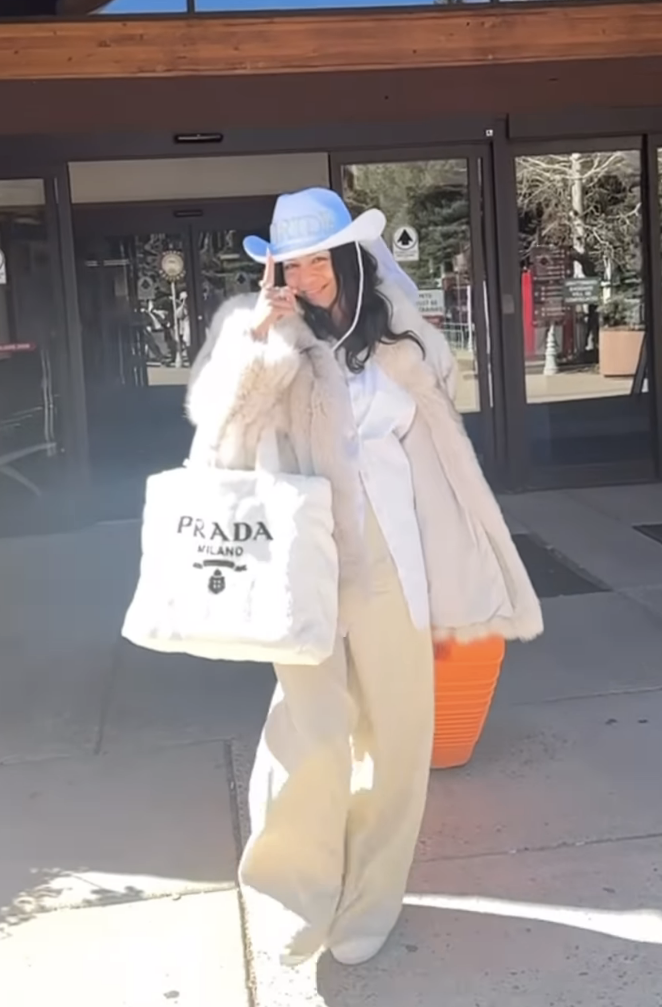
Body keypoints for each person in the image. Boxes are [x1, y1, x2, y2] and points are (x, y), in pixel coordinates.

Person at [186, 187, 543, 968]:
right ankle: (293, 893)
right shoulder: (264, 338)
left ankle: (371, 899)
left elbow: (437, 433)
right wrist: (259, 344)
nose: (307, 278)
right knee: (306, 734)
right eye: (292, 263)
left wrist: (410, 334)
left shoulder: (398, 340)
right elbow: (221, 439)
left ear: (347, 257)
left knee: (399, 735)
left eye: (319, 259)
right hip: (306, 555)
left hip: (394, 554)